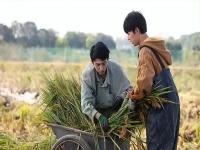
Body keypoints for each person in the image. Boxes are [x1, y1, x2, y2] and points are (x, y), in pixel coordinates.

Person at [123, 11, 180, 150]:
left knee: (157, 145)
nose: (128, 38)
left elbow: (144, 84)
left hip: (161, 108)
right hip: (172, 104)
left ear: (137, 30)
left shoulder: (145, 51)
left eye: (129, 33)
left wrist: (134, 96)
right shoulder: (155, 47)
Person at [81, 41, 130, 149]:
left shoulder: (116, 69)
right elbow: (85, 104)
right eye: (97, 65)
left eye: (104, 63)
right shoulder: (87, 75)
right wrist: (99, 117)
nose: (101, 68)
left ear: (108, 60)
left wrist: (122, 97)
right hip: (96, 115)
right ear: (92, 62)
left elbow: (129, 89)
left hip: (115, 112)